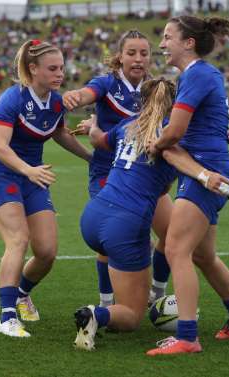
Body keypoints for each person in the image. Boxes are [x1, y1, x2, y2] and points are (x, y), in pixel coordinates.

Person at [73, 78, 229, 351]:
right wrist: (204, 174)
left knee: (161, 236)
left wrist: (93, 126)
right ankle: (97, 313)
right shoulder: (170, 134)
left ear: (141, 102)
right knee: (131, 316)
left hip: (93, 215)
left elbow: (99, 140)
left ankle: (117, 300)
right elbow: (174, 157)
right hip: (125, 224)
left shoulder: (127, 125)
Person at [145, 16, 229, 356]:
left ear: (188, 43)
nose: (162, 44)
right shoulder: (199, 75)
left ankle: (188, 337)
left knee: (177, 249)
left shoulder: (197, 74)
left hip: (204, 173)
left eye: (167, 37)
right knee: (203, 255)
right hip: (204, 169)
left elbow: (175, 131)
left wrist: (156, 143)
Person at [0, 39, 92, 337]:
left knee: (46, 251)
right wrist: (28, 170)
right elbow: (0, 148)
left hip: (33, 177)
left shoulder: (56, 102)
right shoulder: (12, 99)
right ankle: (7, 317)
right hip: (2, 175)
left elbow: (58, 133)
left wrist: (90, 158)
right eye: (53, 69)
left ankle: (21, 294)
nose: (60, 74)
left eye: (62, 68)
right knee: (18, 239)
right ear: (33, 69)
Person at [63, 30, 172, 307]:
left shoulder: (154, 89)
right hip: (108, 174)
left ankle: (157, 295)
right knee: (108, 242)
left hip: (145, 174)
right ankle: (106, 302)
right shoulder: (107, 83)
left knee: (172, 235)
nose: (138, 59)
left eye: (144, 53)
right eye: (131, 53)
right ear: (120, 57)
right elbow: (89, 93)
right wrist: (77, 96)